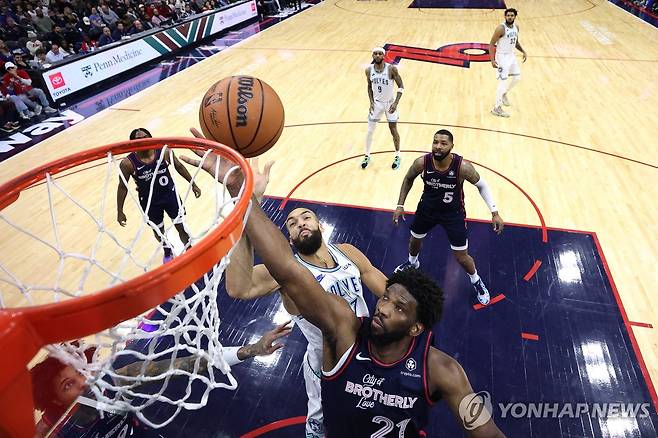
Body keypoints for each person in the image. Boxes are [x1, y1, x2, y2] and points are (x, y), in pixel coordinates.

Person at [181, 149, 505, 438]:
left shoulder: (348, 252)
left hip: (373, 342)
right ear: (289, 238)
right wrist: (247, 206)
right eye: (291, 223)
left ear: (320, 225)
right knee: (320, 422)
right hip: (330, 353)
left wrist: (408, 315)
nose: (299, 223)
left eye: (306, 216)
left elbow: (387, 287)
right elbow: (239, 286)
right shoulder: (285, 272)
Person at [32, 322, 292, 437]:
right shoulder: (55, 429)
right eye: (69, 385)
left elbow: (188, 365)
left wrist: (253, 350)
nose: (83, 382)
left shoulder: (116, 380)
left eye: (80, 372)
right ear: (55, 399)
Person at [392, 130, 504, 306]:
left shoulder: (462, 167)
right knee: (414, 240)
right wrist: (400, 205)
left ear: (452, 146)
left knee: (461, 256)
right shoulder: (422, 162)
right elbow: (408, 179)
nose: (438, 146)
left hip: (453, 214)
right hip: (427, 209)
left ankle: (476, 281)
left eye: (443, 143)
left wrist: (494, 212)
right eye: (435, 142)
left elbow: (482, 185)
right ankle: (413, 263)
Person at [116, 128, 202, 263]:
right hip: (150, 203)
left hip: (170, 197)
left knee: (181, 227)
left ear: (151, 138)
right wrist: (119, 210)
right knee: (158, 231)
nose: (143, 141)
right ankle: (167, 250)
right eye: (138, 140)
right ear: (132, 144)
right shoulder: (127, 163)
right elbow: (122, 187)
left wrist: (193, 184)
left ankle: (189, 249)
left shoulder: (164, 151)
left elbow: (179, 167)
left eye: (146, 137)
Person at [362, 47, 404, 170]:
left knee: (393, 129)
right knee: (370, 130)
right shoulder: (368, 70)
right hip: (377, 104)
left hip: (390, 103)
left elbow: (401, 86)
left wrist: (396, 103)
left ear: (384, 56)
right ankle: (367, 155)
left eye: (380, 53)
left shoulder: (391, 69)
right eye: (375, 53)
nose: (377, 55)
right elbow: (369, 86)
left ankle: (397, 156)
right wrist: (370, 102)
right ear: (372, 56)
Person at [489, 8, 527, 118]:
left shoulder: (516, 27)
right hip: (501, 57)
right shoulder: (501, 28)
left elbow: (515, 42)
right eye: (508, 15)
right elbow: (491, 44)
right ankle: (497, 108)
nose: (510, 17)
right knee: (502, 82)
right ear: (505, 16)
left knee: (517, 78)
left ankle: (504, 93)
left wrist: (523, 51)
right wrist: (492, 60)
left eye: (512, 15)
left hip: (511, 55)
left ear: (515, 16)